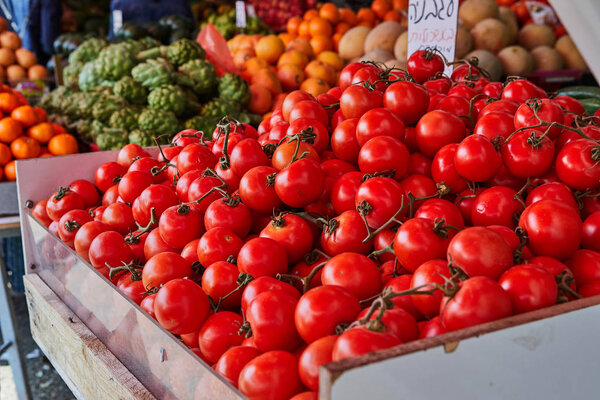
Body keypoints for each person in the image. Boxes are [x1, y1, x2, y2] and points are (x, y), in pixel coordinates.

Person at [109, 0, 194, 38]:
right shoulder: (120, 3)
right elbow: (116, 38)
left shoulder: (180, 2)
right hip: (138, 60)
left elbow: (193, 30)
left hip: (177, 57)